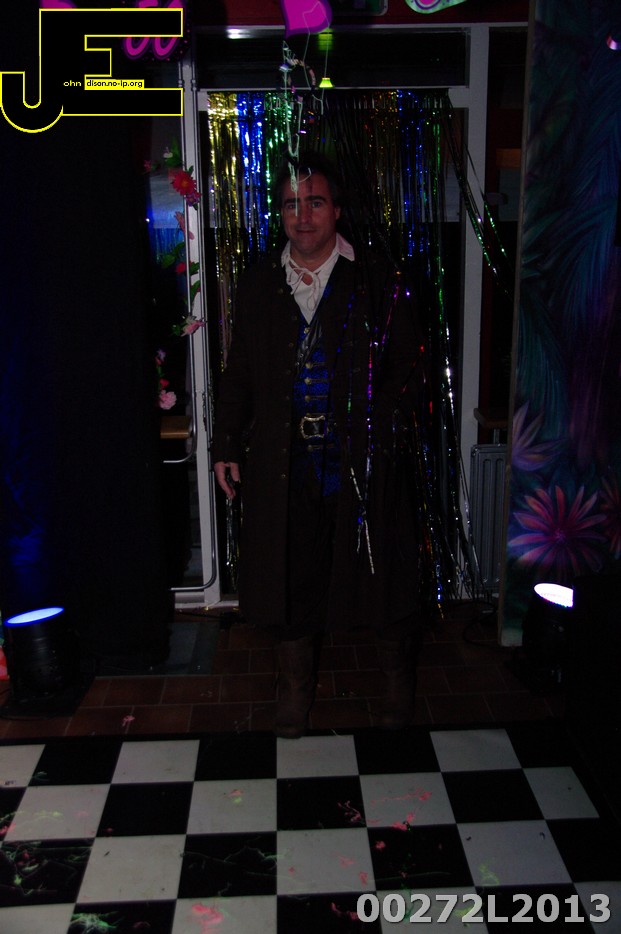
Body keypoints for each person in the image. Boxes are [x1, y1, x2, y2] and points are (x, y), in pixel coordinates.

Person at [211, 152, 425, 737]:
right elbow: (240, 373)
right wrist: (226, 442)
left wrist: (381, 427)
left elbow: (410, 366)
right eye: (291, 204)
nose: (303, 216)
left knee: (383, 575)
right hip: (287, 463)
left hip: (364, 460)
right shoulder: (260, 282)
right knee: (292, 575)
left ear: (337, 209)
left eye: (315, 202)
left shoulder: (379, 278)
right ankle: (295, 690)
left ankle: (397, 685)